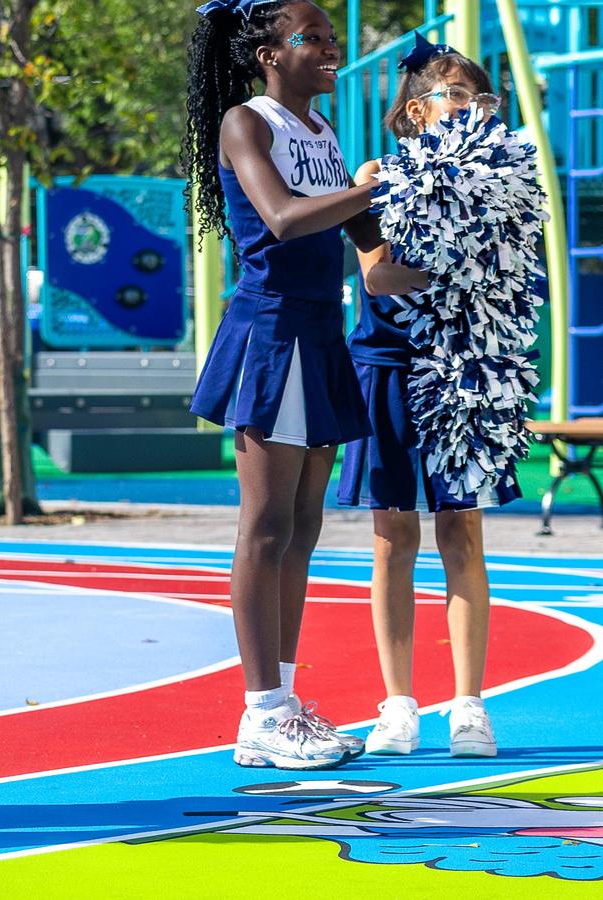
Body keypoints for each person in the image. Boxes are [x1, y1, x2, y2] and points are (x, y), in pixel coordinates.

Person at [181, 0, 416, 770]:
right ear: (268, 55)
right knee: (266, 526)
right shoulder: (246, 124)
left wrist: (462, 259)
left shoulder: (323, 133)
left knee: (304, 529)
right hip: (271, 333)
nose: (330, 52)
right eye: (312, 38)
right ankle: (260, 710)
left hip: (320, 335)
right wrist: (377, 183)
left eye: (332, 40)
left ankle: (283, 705)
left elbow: (370, 258)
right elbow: (282, 218)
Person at [338, 34, 505, 759]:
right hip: (387, 367)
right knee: (393, 536)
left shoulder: (499, 181)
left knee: (462, 531)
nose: (475, 110)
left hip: (461, 367)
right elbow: (377, 276)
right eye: (460, 96)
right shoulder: (376, 176)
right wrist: (460, 277)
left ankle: (469, 704)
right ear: (414, 112)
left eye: (483, 99)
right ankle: (398, 704)